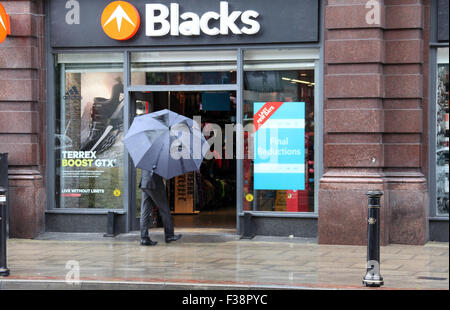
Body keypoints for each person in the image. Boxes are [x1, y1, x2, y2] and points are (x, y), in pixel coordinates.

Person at [140, 165, 182, 246]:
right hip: (154, 184)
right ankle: (169, 235)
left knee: (144, 212)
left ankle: (144, 238)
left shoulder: (147, 155)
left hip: (145, 183)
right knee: (164, 209)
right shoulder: (158, 155)